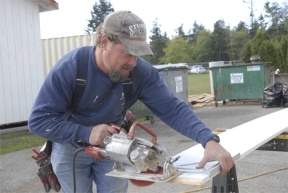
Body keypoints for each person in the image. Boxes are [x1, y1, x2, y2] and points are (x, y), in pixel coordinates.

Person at [29, 10, 234, 193]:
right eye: (127, 53)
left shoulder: (140, 72)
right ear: (104, 43)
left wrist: (208, 140)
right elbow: (38, 120)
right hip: (69, 146)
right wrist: (87, 132)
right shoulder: (72, 68)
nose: (134, 62)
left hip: (114, 147)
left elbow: (172, 108)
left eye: (138, 54)